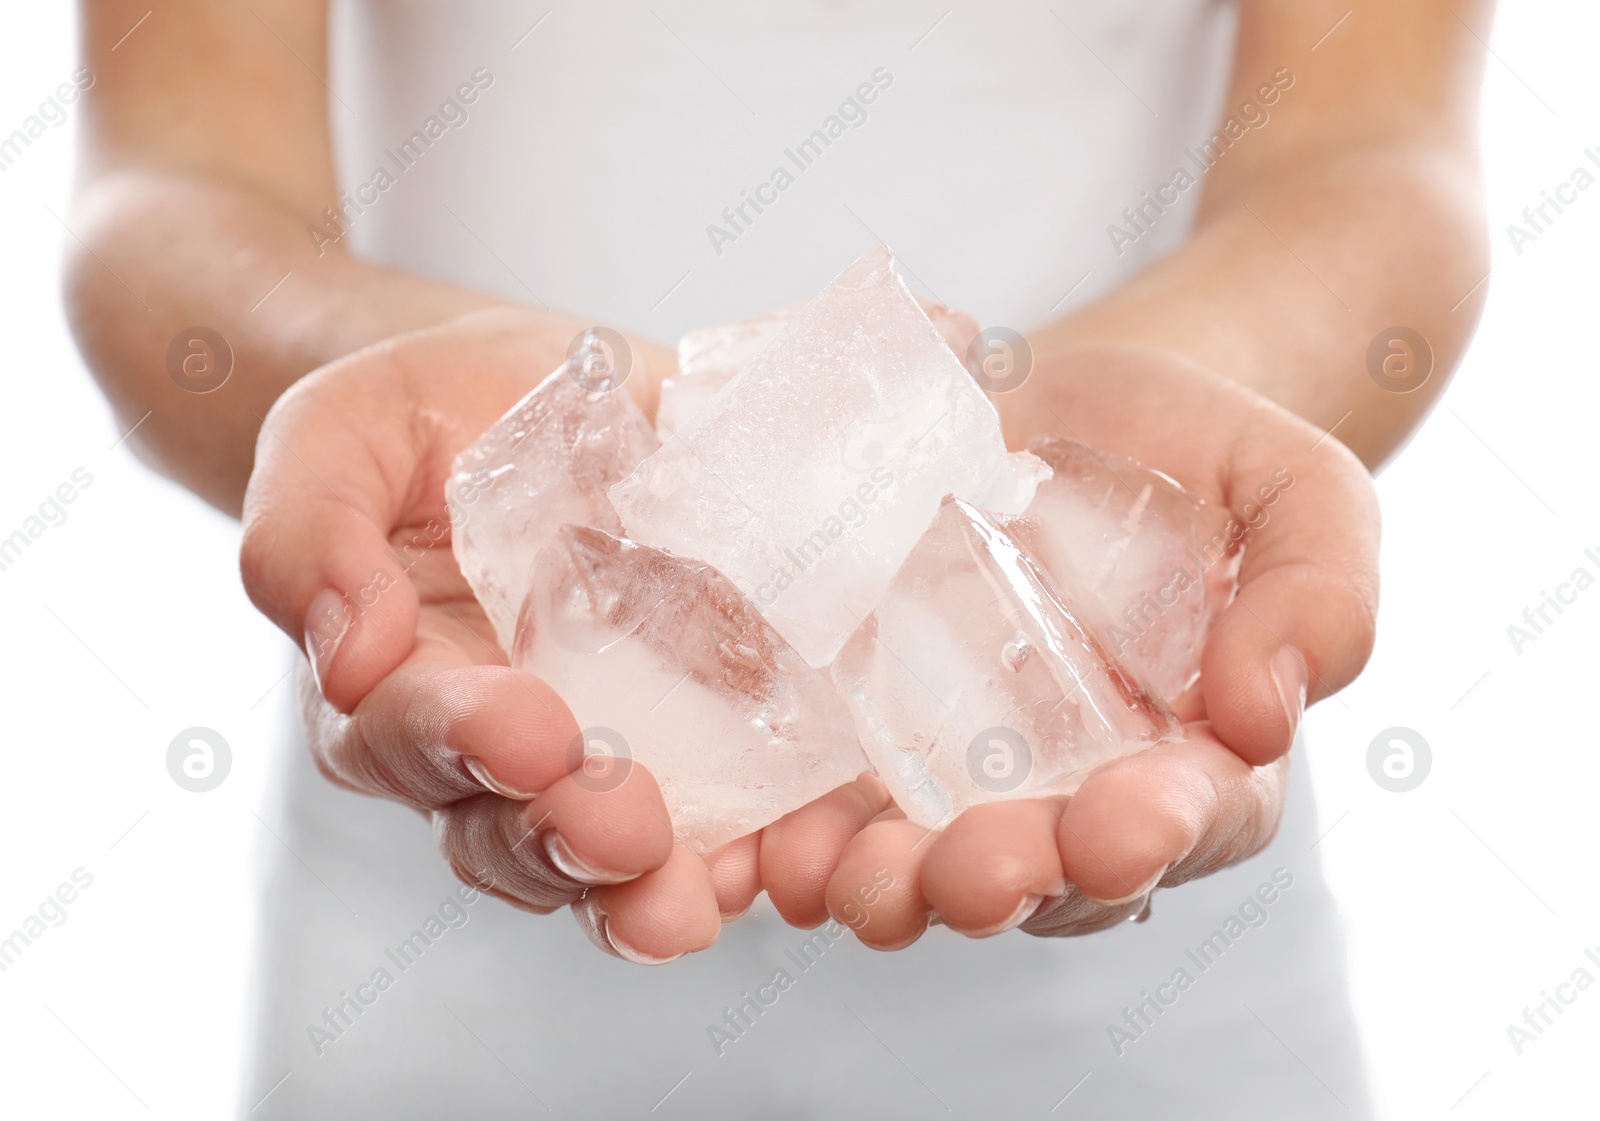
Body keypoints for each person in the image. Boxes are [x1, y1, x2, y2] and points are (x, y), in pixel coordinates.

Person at [65, 0, 1490, 1116]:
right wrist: (375, 400)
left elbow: (1371, 152)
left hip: (1152, 996)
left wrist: (1073, 468)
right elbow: (174, 186)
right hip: (425, 958)